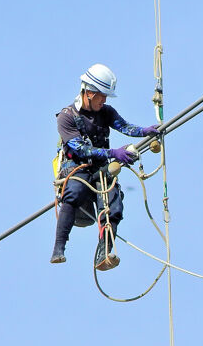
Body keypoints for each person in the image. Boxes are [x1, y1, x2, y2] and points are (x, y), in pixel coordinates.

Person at [51, 63, 159, 270]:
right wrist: (113, 153)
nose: (104, 100)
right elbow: (80, 149)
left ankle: (103, 253)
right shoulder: (66, 117)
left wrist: (145, 131)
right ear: (89, 92)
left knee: (114, 204)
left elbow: (124, 126)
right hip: (76, 168)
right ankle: (58, 248)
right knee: (73, 192)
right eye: (101, 95)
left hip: (100, 169)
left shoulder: (106, 112)